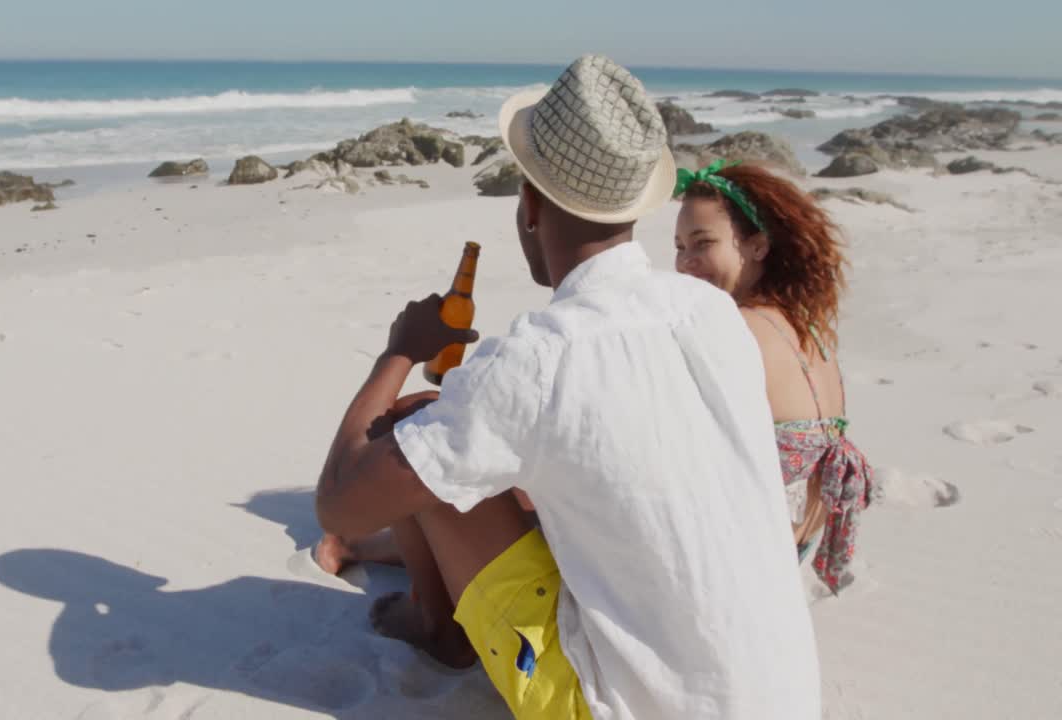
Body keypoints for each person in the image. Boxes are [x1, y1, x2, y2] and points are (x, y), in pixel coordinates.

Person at [315, 55, 819, 720]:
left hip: (624, 707)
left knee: (417, 427)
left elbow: (340, 502)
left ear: (529, 204)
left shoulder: (539, 359)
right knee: (501, 455)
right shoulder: (711, 312)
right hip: (781, 697)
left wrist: (397, 353)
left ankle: (438, 629)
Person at [673, 160, 877, 593]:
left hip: (738, 564)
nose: (685, 262)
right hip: (790, 554)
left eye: (702, 242)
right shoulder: (807, 325)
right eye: (678, 246)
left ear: (757, 246)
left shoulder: (734, 330)